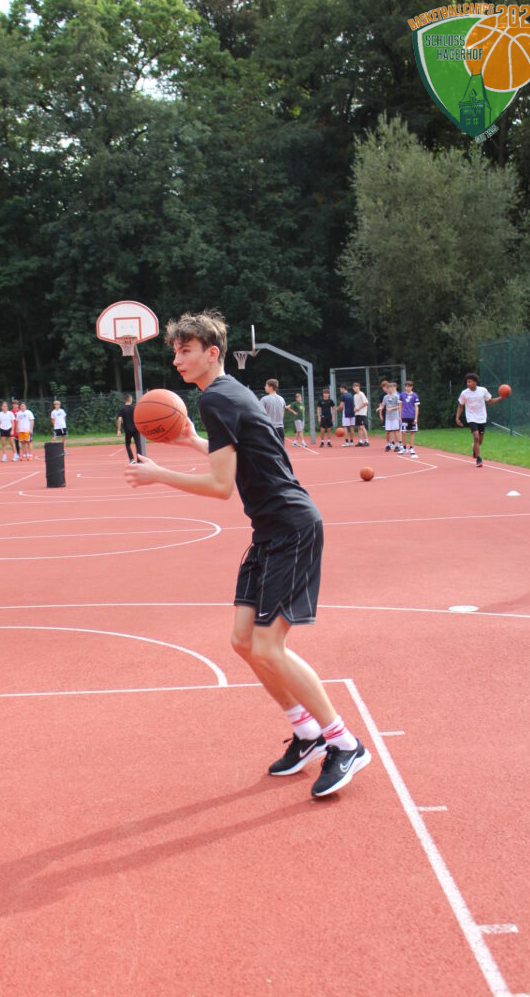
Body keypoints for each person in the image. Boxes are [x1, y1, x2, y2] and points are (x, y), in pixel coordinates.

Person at [126, 310, 371, 798]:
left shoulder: (216, 398)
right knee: (243, 640)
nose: (177, 360)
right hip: (271, 530)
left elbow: (221, 486)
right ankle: (306, 732)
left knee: (267, 647)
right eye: (175, 352)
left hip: (291, 527)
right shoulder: (230, 393)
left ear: (212, 352)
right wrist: (192, 441)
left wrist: (159, 475)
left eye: (186, 351)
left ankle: (345, 743)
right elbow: (252, 457)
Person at [455, 372, 504, 466]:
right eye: (467, 382)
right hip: (471, 417)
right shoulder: (464, 393)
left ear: (475, 382)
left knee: (480, 441)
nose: (468, 383)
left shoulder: (483, 390)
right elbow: (460, 406)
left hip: (482, 417)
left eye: (470, 382)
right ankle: (478, 458)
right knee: (476, 437)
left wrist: (502, 397)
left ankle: (475, 449)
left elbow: (491, 401)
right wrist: (457, 418)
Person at [260, 378, 286, 445]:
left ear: (271, 387)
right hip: (280, 428)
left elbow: (260, 414)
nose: (265, 387)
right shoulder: (282, 399)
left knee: (268, 449)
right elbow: (282, 413)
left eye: (266, 385)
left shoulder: (264, 399)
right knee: (280, 449)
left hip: (269, 428)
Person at [117, 394, 140, 464]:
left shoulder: (122, 408)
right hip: (136, 429)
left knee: (127, 444)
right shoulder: (134, 408)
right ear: (130, 399)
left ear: (125, 400)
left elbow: (119, 420)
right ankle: (139, 460)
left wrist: (118, 430)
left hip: (128, 429)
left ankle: (132, 459)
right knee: (138, 444)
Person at [382, 383, 404, 452]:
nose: (389, 389)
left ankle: (399, 444)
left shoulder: (396, 396)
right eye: (388, 388)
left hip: (395, 416)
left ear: (392, 388)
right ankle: (389, 444)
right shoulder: (385, 397)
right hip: (388, 417)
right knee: (388, 431)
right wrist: (380, 408)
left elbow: (399, 406)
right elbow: (383, 405)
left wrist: (392, 409)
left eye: (390, 388)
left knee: (396, 431)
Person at [400, 380, 420, 455]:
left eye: (409, 386)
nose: (407, 388)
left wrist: (416, 418)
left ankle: (411, 448)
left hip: (412, 416)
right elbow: (400, 406)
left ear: (411, 387)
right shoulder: (402, 395)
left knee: (412, 432)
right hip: (404, 416)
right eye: (406, 386)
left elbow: (416, 407)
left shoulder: (415, 395)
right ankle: (404, 448)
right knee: (403, 432)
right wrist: (400, 416)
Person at [352, 382, 370, 446]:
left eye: (356, 387)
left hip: (362, 413)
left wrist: (359, 408)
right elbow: (356, 405)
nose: (355, 388)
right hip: (357, 413)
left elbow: (366, 403)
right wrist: (355, 408)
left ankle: (367, 441)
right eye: (354, 387)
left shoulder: (361, 394)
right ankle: (360, 441)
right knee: (359, 427)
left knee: (362, 427)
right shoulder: (355, 396)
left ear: (359, 387)